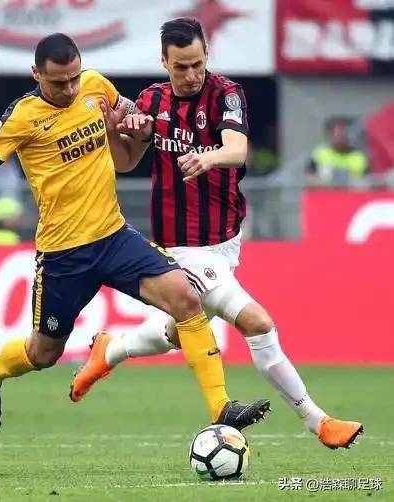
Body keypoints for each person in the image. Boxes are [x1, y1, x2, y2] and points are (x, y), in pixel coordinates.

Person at [0, 33, 270, 429]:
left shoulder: (95, 84)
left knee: (186, 298)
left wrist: (137, 123)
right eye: (59, 82)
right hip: (63, 255)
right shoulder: (22, 117)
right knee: (44, 353)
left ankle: (221, 407)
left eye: (74, 77)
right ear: (36, 74)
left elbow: (134, 116)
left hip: (114, 237)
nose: (70, 89)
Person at [70, 18, 363, 449]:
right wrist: (116, 131)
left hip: (226, 243)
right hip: (181, 247)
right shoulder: (152, 100)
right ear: (164, 62)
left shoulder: (226, 94)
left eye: (197, 64)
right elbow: (125, 162)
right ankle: (318, 422)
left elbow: (237, 149)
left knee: (177, 331)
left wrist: (206, 159)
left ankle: (110, 349)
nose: (191, 75)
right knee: (258, 324)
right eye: (180, 67)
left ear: (207, 55)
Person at [306, 116, 368, 186]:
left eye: (343, 132)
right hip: (325, 191)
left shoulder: (359, 157)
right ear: (330, 134)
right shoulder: (319, 154)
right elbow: (308, 177)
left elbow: (368, 181)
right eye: (337, 133)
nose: (340, 136)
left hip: (352, 192)